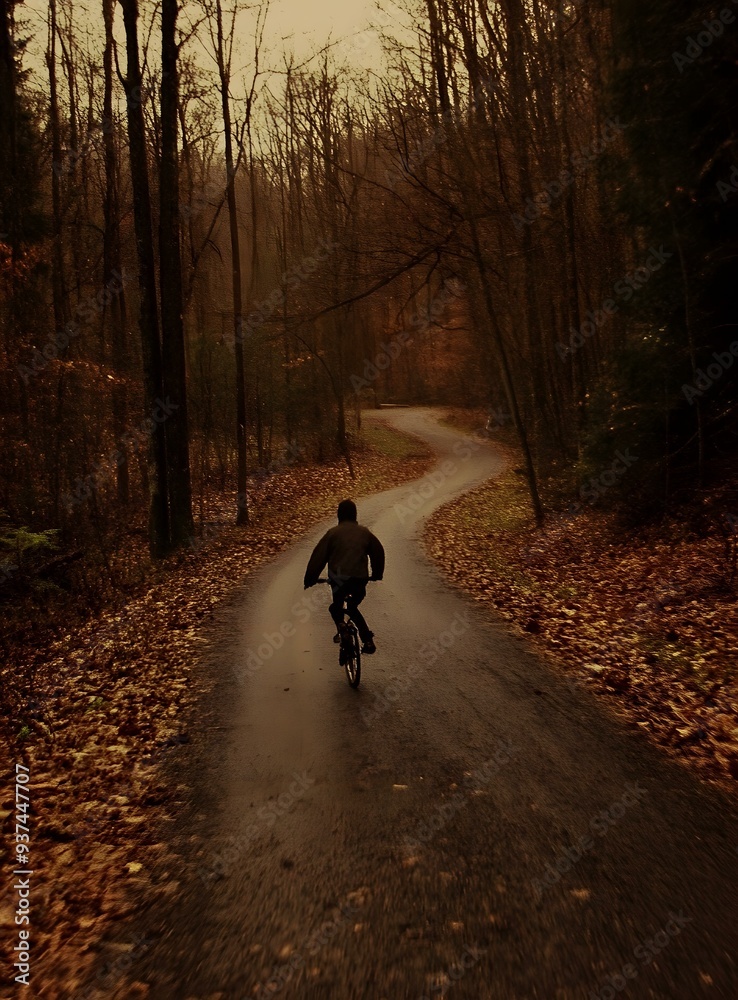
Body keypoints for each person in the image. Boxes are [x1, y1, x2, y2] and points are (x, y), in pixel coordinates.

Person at [303, 499, 385, 654]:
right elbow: (378, 552)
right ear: (355, 515)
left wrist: (310, 578)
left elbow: (318, 556)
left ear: (339, 515)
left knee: (336, 607)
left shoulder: (332, 534)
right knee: (353, 607)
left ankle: (341, 626)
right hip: (359, 580)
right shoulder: (364, 533)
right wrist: (377, 574)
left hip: (338, 580)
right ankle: (367, 640)